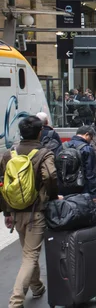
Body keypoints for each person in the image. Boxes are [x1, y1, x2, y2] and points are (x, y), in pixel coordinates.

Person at [0, 116, 58, 308]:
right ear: (40, 132)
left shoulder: (10, 154)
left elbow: (3, 183)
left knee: (27, 252)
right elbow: (50, 176)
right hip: (36, 212)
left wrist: (6, 212)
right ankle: (16, 301)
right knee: (30, 256)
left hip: (16, 211)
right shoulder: (44, 153)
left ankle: (37, 286)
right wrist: (51, 196)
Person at [59, 126, 96, 202]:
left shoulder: (63, 146)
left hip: (64, 189)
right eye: (91, 138)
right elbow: (91, 174)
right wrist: (93, 194)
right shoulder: (87, 149)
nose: (91, 140)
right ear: (87, 135)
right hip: (82, 189)